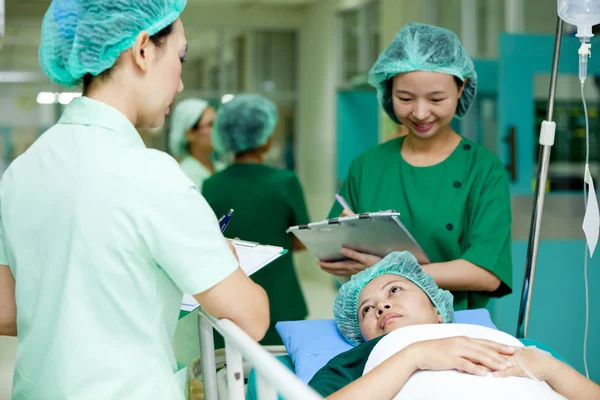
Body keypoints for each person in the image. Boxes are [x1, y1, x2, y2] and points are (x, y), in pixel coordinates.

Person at [0, 1, 269, 399]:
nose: (179, 84)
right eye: (180, 57)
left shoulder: (22, 170)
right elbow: (251, 318)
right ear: (143, 50)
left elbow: (6, 311)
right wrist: (224, 258)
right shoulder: (149, 173)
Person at [320, 23, 512, 313]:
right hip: (378, 327)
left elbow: (486, 274)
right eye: (405, 99)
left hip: (456, 328)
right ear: (388, 92)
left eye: (436, 99)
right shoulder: (366, 166)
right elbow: (335, 256)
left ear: (461, 88)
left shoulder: (483, 170)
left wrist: (388, 270)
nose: (420, 113)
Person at [309, 252, 600, 399]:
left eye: (395, 290)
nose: (381, 307)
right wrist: (414, 356)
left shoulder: (503, 341)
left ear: (437, 309)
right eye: (366, 310)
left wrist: (551, 369)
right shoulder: (357, 361)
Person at [202, 94, 310, 348]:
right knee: (282, 376)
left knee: (230, 374)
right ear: (266, 139)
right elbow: (302, 241)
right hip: (281, 301)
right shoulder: (285, 181)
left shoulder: (211, 184)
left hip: (231, 301)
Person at [169, 98, 222, 191]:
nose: (217, 130)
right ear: (190, 134)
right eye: (210, 124)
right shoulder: (185, 175)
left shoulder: (221, 168)